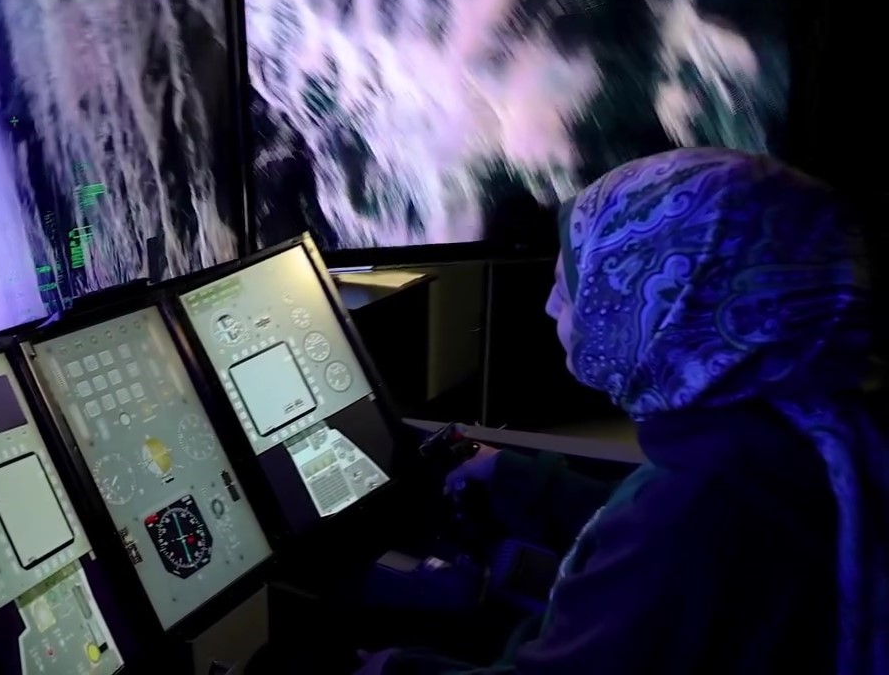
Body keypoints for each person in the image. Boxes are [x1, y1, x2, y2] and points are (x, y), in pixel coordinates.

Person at [359, 148, 887, 675]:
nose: (550, 306)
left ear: (655, 307)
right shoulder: (799, 423)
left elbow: (667, 543)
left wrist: (393, 669)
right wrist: (512, 473)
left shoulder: (696, 509)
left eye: (572, 290)